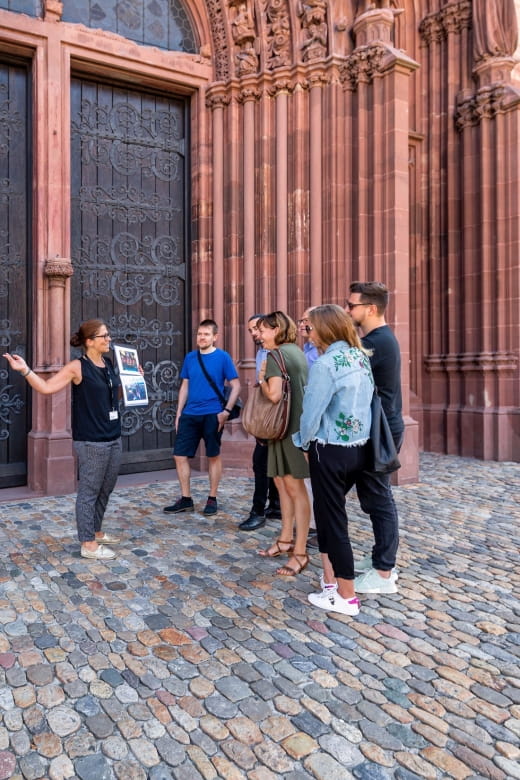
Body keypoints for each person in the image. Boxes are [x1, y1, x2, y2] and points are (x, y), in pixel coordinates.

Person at [3, 320, 123, 560]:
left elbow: (113, 395)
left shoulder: (108, 363)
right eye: (104, 336)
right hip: (91, 440)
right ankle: (87, 544)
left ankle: (96, 531)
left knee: (105, 488)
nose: (109, 339)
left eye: (108, 335)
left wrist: (132, 380)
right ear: (90, 341)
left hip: (113, 436)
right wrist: (25, 369)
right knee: (89, 491)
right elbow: (47, 388)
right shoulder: (77, 367)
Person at [293, 304, 374, 616]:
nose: (307, 332)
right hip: (359, 448)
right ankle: (329, 583)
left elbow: (312, 411)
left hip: (329, 448)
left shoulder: (326, 364)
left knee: (334, 521)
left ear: (325, 329)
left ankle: (346, 594)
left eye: (310, 327)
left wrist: (301, 441)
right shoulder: (360, 356)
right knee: (328, 515)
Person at [344, 281, 403, 594]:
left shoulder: (377, 342)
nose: (348, 310)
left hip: (382, 431)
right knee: (373, 497)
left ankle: (383, 572)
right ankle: (381, 561)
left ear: (370, 308)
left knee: (379, 499)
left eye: (352, 305)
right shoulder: (377, 339)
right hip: (380, 428)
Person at [163, 319, 240, 516]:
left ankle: (212, 498)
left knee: (213, 456)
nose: (201, 337)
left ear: (215, 337)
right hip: (190, 414)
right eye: (199, 334)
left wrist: (226, 412)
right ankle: (186, 499)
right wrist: (179, 413)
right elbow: (185, 386)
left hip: (212, 414)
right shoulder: (190, 358)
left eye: (206, 334)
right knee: (179, 455)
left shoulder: (223, 357)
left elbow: (236, 386)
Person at [256, 311, 311, 576]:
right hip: (289, 427)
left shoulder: (275, 356)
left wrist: (261, 381)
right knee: (282, 484)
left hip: (287, 429)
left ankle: (299, 552)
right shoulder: (295, 351)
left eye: (264, 330)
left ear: (277, 330)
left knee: (293, 488)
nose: (260, 335)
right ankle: (285, 539)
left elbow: (275, 395)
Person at [239, 314, 281, 531]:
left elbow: (274, 391)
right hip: (265, 414)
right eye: (251, 330)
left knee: (261, 463)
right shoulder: (261, 352)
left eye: (256, 328)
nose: (254, 333)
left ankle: (258, 511)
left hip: (274, 417)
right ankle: (275, 506)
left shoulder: (277, 353)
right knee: (267, 462)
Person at [297, 308, 319, 547]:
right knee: (307, 477)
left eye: (306, 320)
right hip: (306, 415)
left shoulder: (321, 352)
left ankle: (318, 527)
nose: (301, 324)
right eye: (301, 320)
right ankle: (313, 524)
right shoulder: (306, 349)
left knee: (315, 476)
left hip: (317, 419)